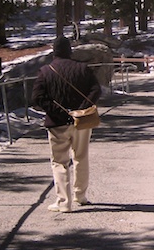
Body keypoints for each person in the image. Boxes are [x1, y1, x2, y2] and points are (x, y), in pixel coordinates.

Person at [32, 36, 102, 212]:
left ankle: (64, 202)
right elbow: (96, 90)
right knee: (81, 157)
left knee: (59, 162)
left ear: (54, 51)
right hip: (81, 120)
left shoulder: (46, 71)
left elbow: (37, 98)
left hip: (57, 123)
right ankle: (80, 195)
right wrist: (81, 109)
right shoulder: (83, 69)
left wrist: (59, 112)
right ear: (70, 50)